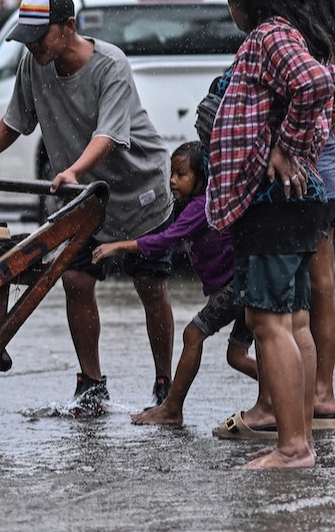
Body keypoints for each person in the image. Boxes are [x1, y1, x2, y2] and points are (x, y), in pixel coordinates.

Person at [0, 0, 176, 415]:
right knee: (75, 280)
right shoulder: (34, 64)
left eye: (40, 36)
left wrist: (74, 170)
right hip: (86, 196)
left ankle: (165, 383)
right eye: (27, 39)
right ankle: (91, 383)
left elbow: (108, 135)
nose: (33, 46)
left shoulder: (110, 65)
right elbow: (13, 123)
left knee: (149, 284)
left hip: (137, 188)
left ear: (69, 26)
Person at [206, 0, 335, 469]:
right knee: (291, 320)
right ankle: (299, 438)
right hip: (294, 199)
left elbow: (318, 85)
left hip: (273, 200)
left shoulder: (270, 35)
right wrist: (302, 140)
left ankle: (292, 447)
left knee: (269, 322)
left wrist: (288, 146)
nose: (229, 5)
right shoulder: (299, 31)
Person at [92, 142, 255, 425]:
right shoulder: (199, 203)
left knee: (193, 334)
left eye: (181, 174)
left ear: (201, 177)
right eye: (172, 173)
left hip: (238, 285)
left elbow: (165, 240)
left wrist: (117, 246)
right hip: (246, 282)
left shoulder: (201, 205)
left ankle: (172, 409)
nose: (172, 181)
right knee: (236, 355)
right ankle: (289, 392)